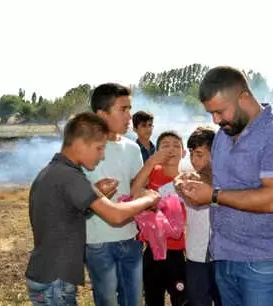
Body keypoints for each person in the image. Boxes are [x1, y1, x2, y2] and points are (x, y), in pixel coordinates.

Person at [178, 66, 273, 306]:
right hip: (224, 255)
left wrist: (213, 195)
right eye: (210, 113)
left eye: (219, 111)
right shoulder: (224, 136)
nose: (215, 120)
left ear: (244, 97)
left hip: (263, 261)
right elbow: (223, 185)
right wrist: (195, 184)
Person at [25, 112, 160, 306]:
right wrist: (148, 199)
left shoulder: (53, 171)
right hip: (55, 280)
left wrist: (96, 192)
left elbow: (66, 212)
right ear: (80, 144)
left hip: (48, 275)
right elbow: (115, 215)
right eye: (99, 148)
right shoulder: (71, 177)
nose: (102, 155)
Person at [84, 83, 146, 306]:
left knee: (133, 301)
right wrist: (96, 192)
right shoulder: (82, 148)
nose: (130, 116)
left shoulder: (132, 148)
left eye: (130, 108)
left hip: (130, 238)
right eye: (123, 109)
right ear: (101, 114)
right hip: (97, 242)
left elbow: (136, 189)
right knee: (107, 301)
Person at [132, 131, 188, 306]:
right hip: (153, 252)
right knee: (153, 299)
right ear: (157, 151)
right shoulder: (153, 173)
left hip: (179, 252)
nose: (171, 149)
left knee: (181, 299)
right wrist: (150, 163)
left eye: (176, 145)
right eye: (165, 145)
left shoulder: (188, 176)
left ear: (184, 152)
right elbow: (134, 192)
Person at [184, 126, 221, 306]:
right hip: (196, 256)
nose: (194, 160)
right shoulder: (186, 182)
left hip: (223, 257)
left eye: (199, 154)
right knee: (198, 300)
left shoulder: (229, 183)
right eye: (191, 154)